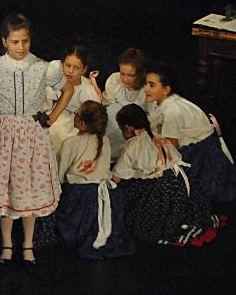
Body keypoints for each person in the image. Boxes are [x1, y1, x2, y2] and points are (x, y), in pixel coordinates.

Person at [0, 13, 74, 265]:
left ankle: (27, 244)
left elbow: (67, 89)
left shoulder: (41, 66)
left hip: (31, 137)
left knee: (28, 190)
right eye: (15, 42)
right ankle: (7, 243)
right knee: (7, 190)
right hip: (5, 137)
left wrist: (53, 116)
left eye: (25, 41)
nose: (21, 47)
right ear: (4, 41)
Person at [113, 104, 218, 247]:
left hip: (161, 191)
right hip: (181, 185)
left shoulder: (132, 146)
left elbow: (116, 177)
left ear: (128, 127)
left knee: (125, 193)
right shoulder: (158, 137)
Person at [145, 63, 236, 206]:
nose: (146, 89)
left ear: (166, 89)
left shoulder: (172, 111)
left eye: (151, 85)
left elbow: (171, 148)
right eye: (146, 84)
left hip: (200, 153)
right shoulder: (162, 103)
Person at [56, 101, 135, 259]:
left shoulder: (70, 143)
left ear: (82, 123)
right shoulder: (104, 141)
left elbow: (61, 174)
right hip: (104, 193)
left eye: (76, 114)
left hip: (79, 196)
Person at [44, 44, 102, 155]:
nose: (70, 71)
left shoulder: (87, 91)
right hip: (51, 114)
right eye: (67, 65)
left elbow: (95, 119)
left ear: (84, 69)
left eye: (76, 68)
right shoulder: (55, 76)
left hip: (73, 124)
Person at [102, 47, 150, 160]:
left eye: (131, 75)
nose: (125, 79)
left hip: (134, 132)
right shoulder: (114, 81)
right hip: (111, 126)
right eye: (122, 74)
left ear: (140, 73)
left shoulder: (147, 89)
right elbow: (106, 104)